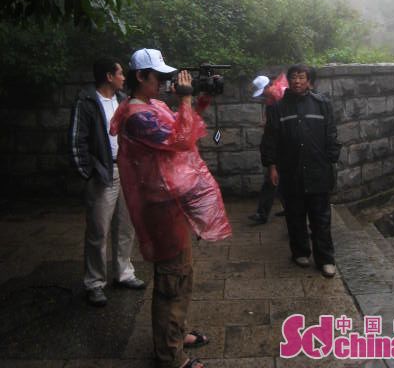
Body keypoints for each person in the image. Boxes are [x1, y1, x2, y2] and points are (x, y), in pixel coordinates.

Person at [110, 48, 231, 368]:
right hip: (159, 207)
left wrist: (199, 100)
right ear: (141, 76)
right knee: (171, 278)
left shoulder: (154, 105)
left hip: (170, 201)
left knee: (182, 273)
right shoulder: (137, 116)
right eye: (159, 77)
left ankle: (176, 332)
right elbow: (180, 140)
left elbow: (183, 126)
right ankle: (170, 355)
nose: (165, 82)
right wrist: (187, 98)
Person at [69, 58, 144, 307]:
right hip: (102, 172)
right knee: (98, 231)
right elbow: (77, 140)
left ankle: (124, 273)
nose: (124, 77)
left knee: (126, 226)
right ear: (109, 76)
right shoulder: (87, 101)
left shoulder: (123, 100)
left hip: (126, 169)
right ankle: (94, 283)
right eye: (120, 73)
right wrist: (88, 172)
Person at [260, 64, 341, 277]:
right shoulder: (278, 108)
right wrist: (271, 166)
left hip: (318, 170)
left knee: (321, 218)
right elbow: (270, 139)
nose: (297, 81)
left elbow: (331, 133)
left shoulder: (322, 104)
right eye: (294, 77)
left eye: (301, 77)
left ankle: (326, 259)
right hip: (290, 171)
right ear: (288, 80)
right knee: (295, 215)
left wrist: (331, 159)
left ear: (309, 81)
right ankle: (300, 252)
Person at [248, 74, 287, 225]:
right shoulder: (274, 98)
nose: (263, 96)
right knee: (280, 180)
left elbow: (278, 128)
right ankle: (288, 208)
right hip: (278, 145)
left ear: (268, 86)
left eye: (263, 92)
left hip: (279, 146)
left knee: (271, 179)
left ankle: (262, 214)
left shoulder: (280, 97)